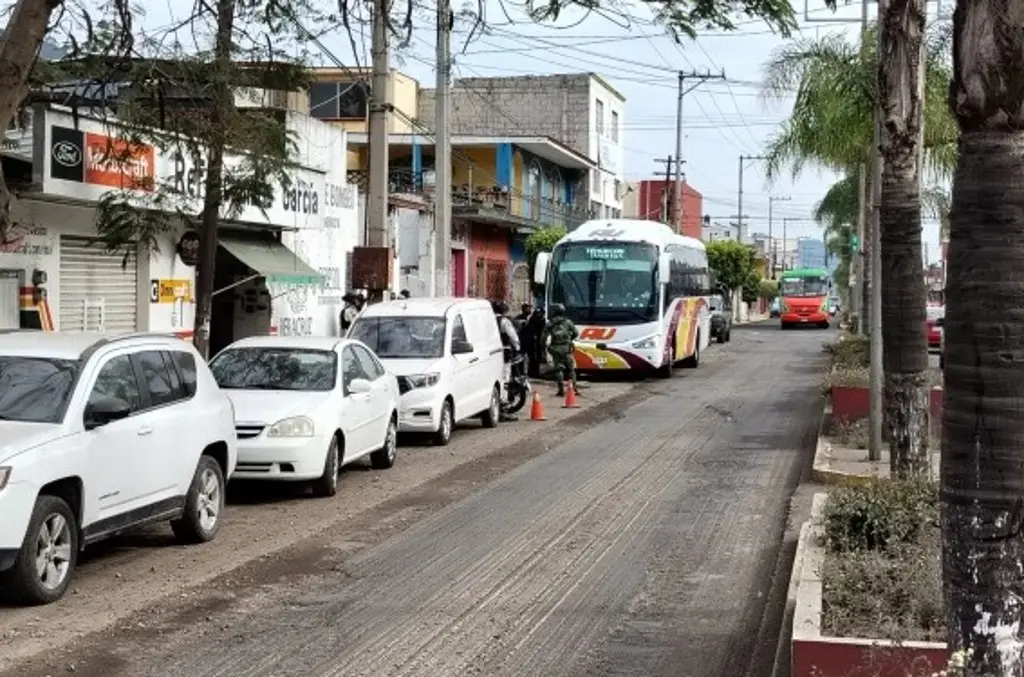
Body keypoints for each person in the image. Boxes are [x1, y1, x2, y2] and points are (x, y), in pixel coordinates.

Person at [492, 300, 521, 422]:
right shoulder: (504, 321)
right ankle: (502, 409)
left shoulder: (487, 320)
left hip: (489, 354)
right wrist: (518, 347)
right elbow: (513, 336)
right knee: (504, 379)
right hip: (503, 353)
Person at [543, 302, 579, 397]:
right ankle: (574, 389)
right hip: (567, 348)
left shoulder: (550, 323)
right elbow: (576, 333)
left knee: (559, 369)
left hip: (555, 348)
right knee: (571, 369)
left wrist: (543, 346)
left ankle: (561, 389)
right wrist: (570, 339)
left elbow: (543, 337)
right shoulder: (568, 322)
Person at [520, 304, 546, 379]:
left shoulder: (532, 318)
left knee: (534, 357)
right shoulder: (538, 319)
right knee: (534, 357)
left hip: (534, 340)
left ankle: (533, 372)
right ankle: (533, 372)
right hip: (533, 340)